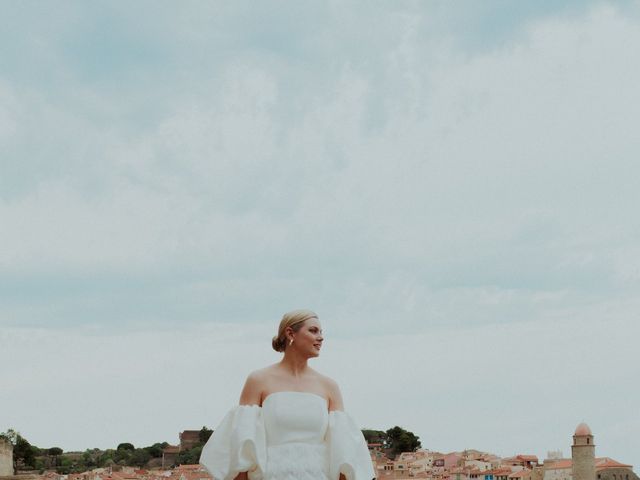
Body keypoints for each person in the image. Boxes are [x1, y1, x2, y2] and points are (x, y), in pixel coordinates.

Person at [199, 309, 375, 480]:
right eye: (313, 331)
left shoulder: (329, 386)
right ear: (291, 333)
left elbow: (342, 452)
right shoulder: (258, 380)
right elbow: (243, 447)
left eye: (321, 332)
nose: (321, 337)